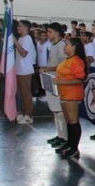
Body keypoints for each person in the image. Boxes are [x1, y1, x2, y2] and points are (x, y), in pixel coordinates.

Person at [52, 38, 87, 159]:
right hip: (64, 94)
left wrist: (60, 81)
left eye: (67, 45)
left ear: (74, 47)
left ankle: (74, 148)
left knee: (73, 121)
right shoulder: (68, 60)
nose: (64, 47)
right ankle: (69, 143)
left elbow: (79, 79)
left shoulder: (77, 61)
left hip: (72, 95)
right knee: (69, 121)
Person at [40, 23, 68, 153]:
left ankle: (64, 137)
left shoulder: (62, 45)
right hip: (51, 79)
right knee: (55, 110)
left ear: (57, 32)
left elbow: (63, 65)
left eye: (50, 32)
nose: (48, 34)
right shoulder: (53, 45)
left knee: (60, 111)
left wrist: (47, 68)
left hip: (58, 80)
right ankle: (59, 135)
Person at [14, 20, 35, 124]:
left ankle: (29, 115)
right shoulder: (21, 38)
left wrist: (15, 42)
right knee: (21, 93)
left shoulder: (27, 38)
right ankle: (24, 113)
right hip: (20, 69)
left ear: (25, 28)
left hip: (25, 70)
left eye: (19, 26)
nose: (17, 27)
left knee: (26, 94)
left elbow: (23, 53)